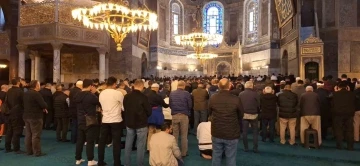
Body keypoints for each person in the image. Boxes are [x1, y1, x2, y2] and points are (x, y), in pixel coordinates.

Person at [209, 78, 242, 166]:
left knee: (216, 156)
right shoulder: (236, 99)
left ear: (219, 86)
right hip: (231, 132)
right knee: (231, 158)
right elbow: (240, 115)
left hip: (217, 131)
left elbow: (209, 113)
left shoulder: (213, 98)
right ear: (230, 86)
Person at [123, 79, 152, 166]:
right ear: (142, 86)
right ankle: (140, 164)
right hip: (141, 124)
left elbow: (125, 108)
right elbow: (149, 111)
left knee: (128, 144)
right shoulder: (143, 97)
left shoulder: (127, 96)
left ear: (134, 85)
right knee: (140, 146)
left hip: (129, 123)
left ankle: (127, 163)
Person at [98, 77, 124, 166]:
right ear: (114, 84)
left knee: (102, 142)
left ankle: (100, 162)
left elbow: (101, 106)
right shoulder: (118, 93)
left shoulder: (101, 93)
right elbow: (123, 107)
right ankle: (117, 163)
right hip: (116, 120)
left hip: (105, 120)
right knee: (116, 143)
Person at [74, 79, 100, 165]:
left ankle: (78, 159)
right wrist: (95, 92)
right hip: (89, 120)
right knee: (90, 141)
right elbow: (99, 101)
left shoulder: (77, 94)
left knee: (80, 140)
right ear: (90, 86)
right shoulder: (91, 96)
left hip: (80, 119)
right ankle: (90, 160)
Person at [23, 80, 48, 156]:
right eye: (39, 84)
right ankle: (37, 152)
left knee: (28, 134)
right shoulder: (36, 94)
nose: (39, 86)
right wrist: (44, 107)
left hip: (26, 116)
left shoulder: (25, 93)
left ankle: (29, 151)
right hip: (35, 117)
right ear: (36, 86)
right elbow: (43, 104)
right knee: (36, 135)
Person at [169, 80, 192, 157]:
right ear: (184, 86)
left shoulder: (172, 93)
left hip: (175, 115)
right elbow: (190, 105)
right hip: (184, 116)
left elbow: (170, 105)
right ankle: (184, 153)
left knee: (175, 134)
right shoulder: (187, 94)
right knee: (184, 135)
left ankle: (174, 152)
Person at [332, 81, 356, 150]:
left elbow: (331, 103)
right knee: (349, 130)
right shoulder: (352, 94)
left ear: (338, 87)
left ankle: (339, 146)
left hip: (338, 114)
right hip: (349, 114)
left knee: (338, 130)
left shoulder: (335, 94)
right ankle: (350, 147)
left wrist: (335, 91)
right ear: (347, 87)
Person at [145, 83, 169, 151]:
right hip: (157, 115)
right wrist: (169, 104)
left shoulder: (146, 96)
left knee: (150, 131)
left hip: (149, 115)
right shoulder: (158, 96)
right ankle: (157, 146)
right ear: (157, 88)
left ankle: (149, 147)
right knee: (158, 131)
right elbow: (164, 105)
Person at [5, 78, 25, 154]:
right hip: (17, 113)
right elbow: (23, 103)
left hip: (9, 113)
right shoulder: (20, 91)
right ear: (18, 82)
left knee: (9, 130)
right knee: (17, 131)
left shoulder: (9, 91)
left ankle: (8, 147)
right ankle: (16, 148)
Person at [239, 81, 260, 152]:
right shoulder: (256, 94)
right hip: (254, 114)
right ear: (252, 86)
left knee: (244, 132)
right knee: (255, 132)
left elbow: (239, 105)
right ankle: (255, 148)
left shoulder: (241, 94)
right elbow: (259, 105)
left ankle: (246, 148)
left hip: (244, 115)